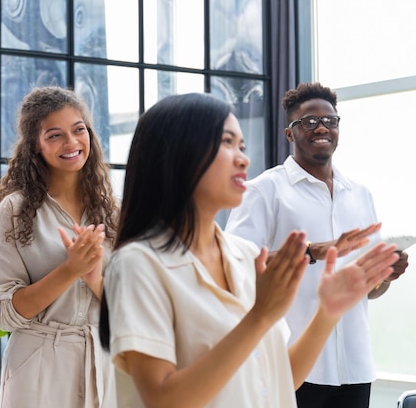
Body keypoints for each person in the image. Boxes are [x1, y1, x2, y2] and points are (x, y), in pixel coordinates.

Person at [99, 92, 399, 408]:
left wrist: (329, 311)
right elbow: (163, 399)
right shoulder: (138, 265)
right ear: (177, 155)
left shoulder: (242, 256)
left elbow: (281, 379)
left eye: (241, 146)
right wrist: (260, 316)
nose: (243, 158)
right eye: (226, 143)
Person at [225, 82, 409, 408]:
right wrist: (311, 252)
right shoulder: (263, 190)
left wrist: (384, 276)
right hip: (292, 363)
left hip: (355, 364)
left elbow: (369, 290)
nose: (322, 127)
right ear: (289, 133)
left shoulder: (360, 194)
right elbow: (233, 267)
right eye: (309, 121)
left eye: (330, 120)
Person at [0, 86, 118, 408]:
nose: (71, 143)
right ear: (35, 147)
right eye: (55, 135)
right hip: (39, 368)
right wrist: (70, 271)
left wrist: (94, 278)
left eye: (78, 130)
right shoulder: (13, 212)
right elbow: (4, 316)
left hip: (105, 365)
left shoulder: (114, 212)